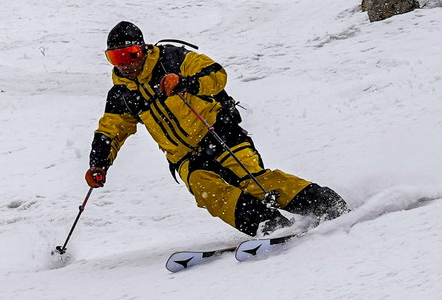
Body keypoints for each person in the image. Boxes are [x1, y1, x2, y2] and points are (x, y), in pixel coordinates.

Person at [85, 21, 347, 238]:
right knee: (208, 192)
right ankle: (268, 225)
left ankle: (326, 204)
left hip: (219, 133)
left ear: (142, 49)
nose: (124, 64)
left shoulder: (173, 59)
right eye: (115, 58)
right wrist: (99, 163)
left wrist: (186, 82)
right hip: (185, 157)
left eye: (129, 55)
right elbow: (111, 130)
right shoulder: (122, 93)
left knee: (252, 179)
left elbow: (216, 75)